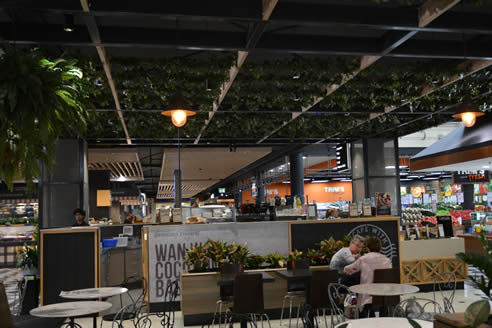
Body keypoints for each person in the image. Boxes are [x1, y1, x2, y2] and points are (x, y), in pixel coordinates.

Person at [343, 236, 392, 317]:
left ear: (368, 248)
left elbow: (348, 270)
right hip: (384, 297)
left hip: (368, 297)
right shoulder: (387, 261)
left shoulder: (363, 260)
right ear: (380, 248)